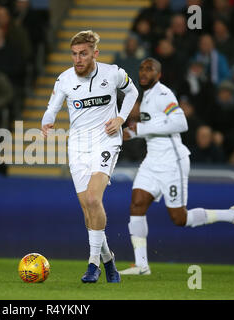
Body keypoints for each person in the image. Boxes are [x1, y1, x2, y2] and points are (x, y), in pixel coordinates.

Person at [119, 58, 234, 276]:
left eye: (149, 69)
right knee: (137, 204)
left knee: (179, 218)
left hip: (172, 162)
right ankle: (142, 265)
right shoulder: (146, 98)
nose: (143, 72)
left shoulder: (164, 94)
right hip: (152, 161)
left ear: (158, 75)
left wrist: (140, 129)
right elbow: (151, 129)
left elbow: (181, 123)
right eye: (142, 68)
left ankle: (232, 215)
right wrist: (131, 133)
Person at [41, 30, 139, 283]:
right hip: (78, 147)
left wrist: (120, 118)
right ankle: (109, 261)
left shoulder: (113, 73)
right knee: (88, 210)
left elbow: (133, 92)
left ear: (95, 53)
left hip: (106, 141)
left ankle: (92, 264)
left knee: (95, 198)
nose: (78, 59)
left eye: (83, 54)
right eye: (74, 54)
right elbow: (52, 108)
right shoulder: (64, 79)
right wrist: (47, 123)